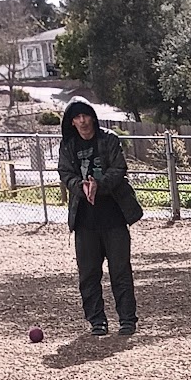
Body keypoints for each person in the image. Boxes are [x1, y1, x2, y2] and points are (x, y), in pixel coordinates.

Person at [56, 98, 143, 335]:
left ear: (93, 117)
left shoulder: (109, 140)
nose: (82, 121)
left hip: (113, 216)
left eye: (85, 115)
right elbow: (65, 172)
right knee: (88, 273)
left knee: (120, 271)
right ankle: (97, 321)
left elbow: (119, 168)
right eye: (77, 117)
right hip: (85, 220)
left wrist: (100, 185)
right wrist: (80, 187)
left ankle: (127, 319)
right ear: (71, 122)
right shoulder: (68, 146)